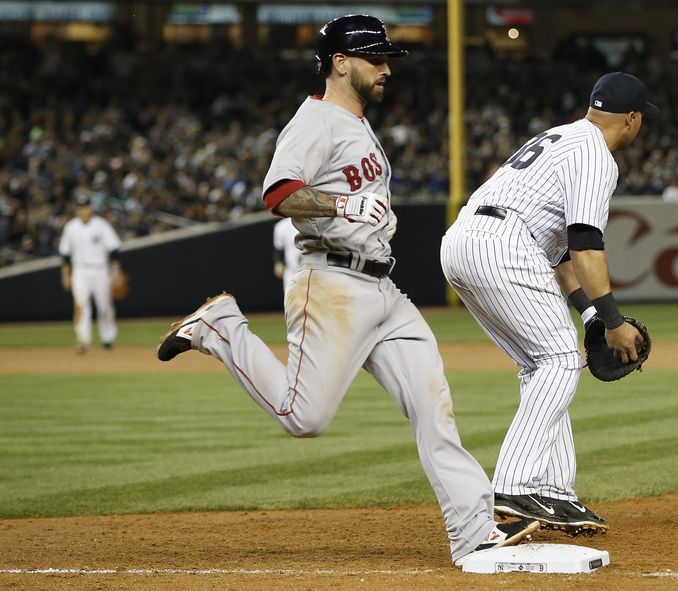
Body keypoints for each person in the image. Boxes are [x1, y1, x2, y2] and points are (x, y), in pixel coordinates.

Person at [156, 14, 537, 565]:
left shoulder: (357, 124)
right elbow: (278, 194)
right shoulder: (316, 121)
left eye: (386, 60)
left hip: (384, 291)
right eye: (375, 59)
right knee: (304, 418)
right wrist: (341, 203)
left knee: (433, 408)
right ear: (340, 63)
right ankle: (219, 328)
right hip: (332, 282)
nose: (386, 70)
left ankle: (474, 532)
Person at [440, 72, 656, 534]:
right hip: (503, 243)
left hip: (463, 241)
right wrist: (613, 321)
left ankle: (555, 492)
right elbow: (585, 246)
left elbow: (559, 260)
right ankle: (515, 484)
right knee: (559, 359)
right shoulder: (597, 155)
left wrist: (591, 314)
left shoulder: (561, 137)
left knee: (540, 365)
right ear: (632, 118)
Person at [58, 194, 123, 353]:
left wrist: (115, 272)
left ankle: (107, 338)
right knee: (81, 305)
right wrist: (65, 276)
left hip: (101, 269)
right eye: (80, 208)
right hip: (80, 270)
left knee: (105, 306)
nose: (83, 210)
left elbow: (114, 250)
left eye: (86, 207)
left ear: (90, 208)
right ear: (76, 209)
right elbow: (65, 255)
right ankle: (83, 340)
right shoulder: (71, 227)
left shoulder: (101, 225)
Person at [272, 218, 301, 298]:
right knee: (290, 298)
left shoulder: (309, 221)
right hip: (291, 270)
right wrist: (278, 262)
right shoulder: (281, 226)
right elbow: (278, 248)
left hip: (310, 268)